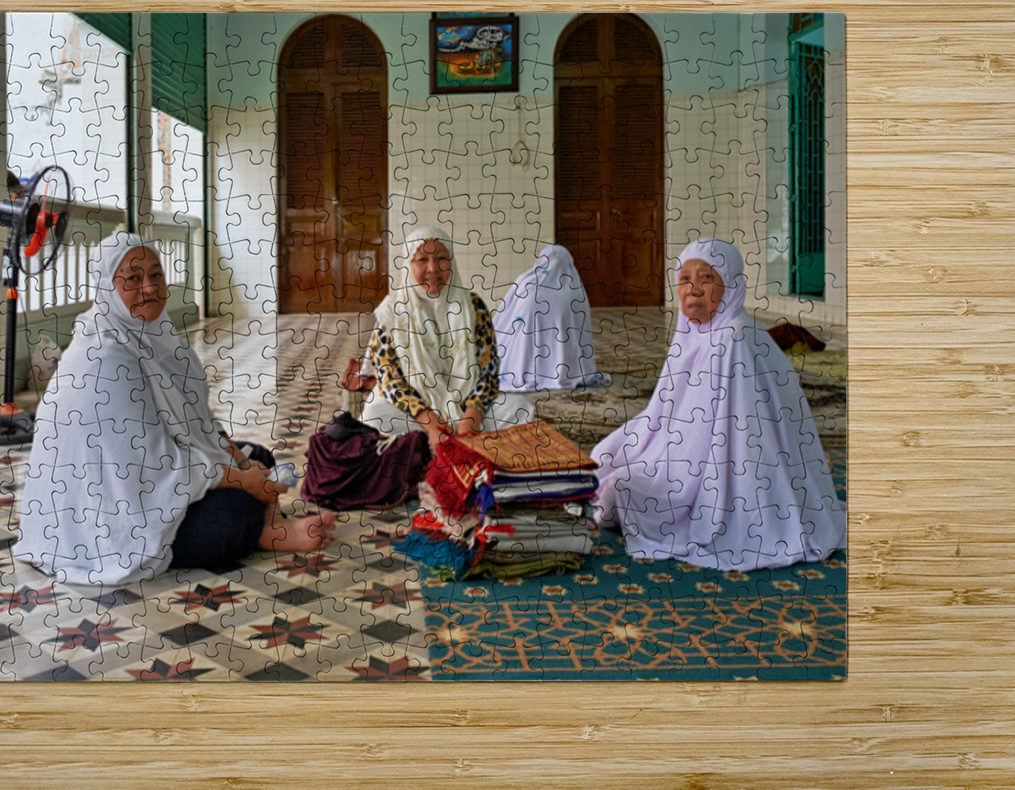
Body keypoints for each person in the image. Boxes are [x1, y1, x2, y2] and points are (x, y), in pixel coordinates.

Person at [15, 232, 335, 586]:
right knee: (232, 515)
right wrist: (242, 480)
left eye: (156, 275)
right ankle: (262, 532)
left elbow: (198, 423)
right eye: (133, 279)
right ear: (107, 288)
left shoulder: (157, 338)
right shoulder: (103, 358)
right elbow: (151, 467)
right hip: (108, 518)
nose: (149, 288)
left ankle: (267, 522)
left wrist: (241, 463)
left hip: (152, 481)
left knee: (258, 454)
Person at [590, 238, 846, 571]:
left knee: (618, 491)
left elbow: (709, 440)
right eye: (684, 279)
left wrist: (646, 462)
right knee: (601, 460)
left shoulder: (732, 339)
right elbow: (665, 414)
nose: (693, 289)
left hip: (728, 476)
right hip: (691, 452)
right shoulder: (697, 333)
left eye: (706, 279)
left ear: (731, 286)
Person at [360, 226, 533, 452]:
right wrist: (430, 423)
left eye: (442, 258)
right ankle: (433, 444)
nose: (433, 268)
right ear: (409, 265)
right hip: (414, 410)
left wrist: (471, 418)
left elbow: (488, 372)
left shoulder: (473, 306)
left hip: (465, 405)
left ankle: (439, 445)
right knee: (375, 415)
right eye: (422, 259)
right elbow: (388, 378)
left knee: (519, 408)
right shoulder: (391, 312)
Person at [492, 244, 609, 391]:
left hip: (524, 352)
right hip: (566, 357)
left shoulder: (526, 280)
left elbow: (507, 310)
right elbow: (582, 331)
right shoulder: (576, 290)